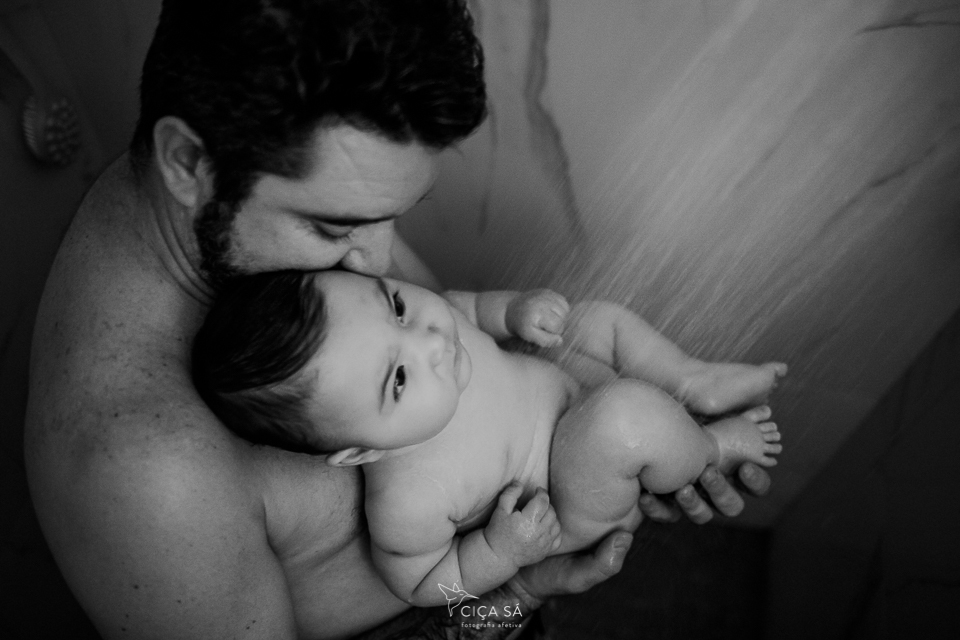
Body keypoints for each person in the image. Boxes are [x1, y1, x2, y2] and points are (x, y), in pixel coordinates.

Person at [23, 1, 774, 638]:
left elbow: (466, 359)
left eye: (394, 215)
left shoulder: (291, 191)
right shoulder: (147, 472)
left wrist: (600, 427)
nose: (380, 261)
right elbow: (437, 596)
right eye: (338, 226)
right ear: (189, 163)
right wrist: (516, 596)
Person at [193, 271, 785, 606]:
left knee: (592, 320)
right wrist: (500, 556)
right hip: (572, 492)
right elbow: (428, 588)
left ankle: (690, 380)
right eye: (398, 379)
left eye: (396, 306)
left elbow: (466, 307)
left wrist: (512, 312)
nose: (430, 339)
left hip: (571, 391)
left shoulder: (429, 327)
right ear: (362, 452)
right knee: (621, 418)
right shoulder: (409, 499)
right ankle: (711, 447)